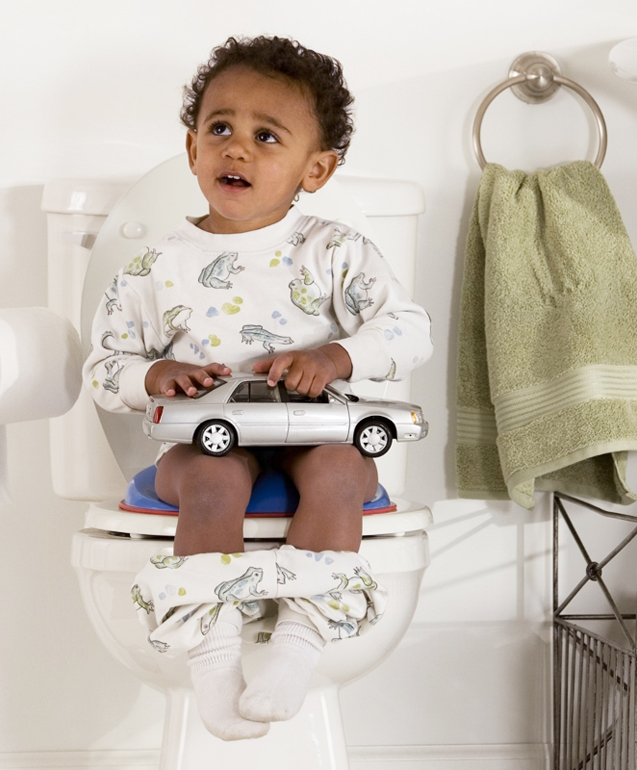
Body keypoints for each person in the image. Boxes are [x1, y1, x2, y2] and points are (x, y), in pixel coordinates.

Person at [83, 36, 432, 741]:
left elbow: (409, 330)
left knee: (341, 471)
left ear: (317, 168)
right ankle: (212, 661)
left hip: (316, 432)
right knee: (211, 479)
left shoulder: (336, 252)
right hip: (212, 438)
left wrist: (337, 356)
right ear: (192, 150)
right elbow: (101, 366)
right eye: (220, 129)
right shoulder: (158, 266)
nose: (236, 149)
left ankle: (299, 641)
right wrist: (155, 375)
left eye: (265, 136)